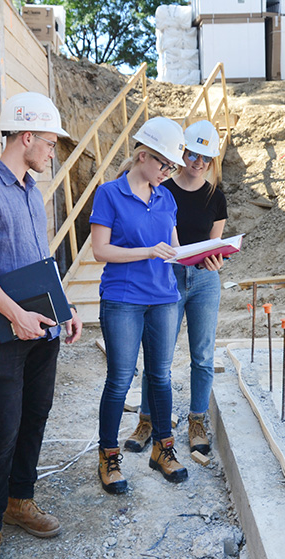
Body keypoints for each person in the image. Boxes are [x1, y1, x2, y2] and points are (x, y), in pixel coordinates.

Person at [0, 91, 83, 559]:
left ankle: (18, 501)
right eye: (49, 143)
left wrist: (62, 309)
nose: (53, 152)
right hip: (0, 334)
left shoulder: (30, 189)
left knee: (35, 417)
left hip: (40, 329)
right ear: (26, 137)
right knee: (3, 428)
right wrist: (15, 316)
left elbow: (39, 258)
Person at [90, 116, 189, 495]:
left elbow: (174, 249)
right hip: (123, 300)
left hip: (163, 298)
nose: (169, 172)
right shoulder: (109, 194)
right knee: (119, 379)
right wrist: (147, 251)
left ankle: (163, 450)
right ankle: (109, 457)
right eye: (165, 164)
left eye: (172, 167)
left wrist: (204, 255)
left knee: (160, 377)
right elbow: (101, 250)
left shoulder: (166, 196)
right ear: (143, 156)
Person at [125, 120, 227, 457]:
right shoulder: (162, 190)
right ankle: (147, 420)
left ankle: (196, 421)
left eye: (206, 158)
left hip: (204, 282)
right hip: (166, 279)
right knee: (158, 355)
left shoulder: (216, 197)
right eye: (193, 154)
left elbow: (215, 245)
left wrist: (215, 261)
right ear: (181, 151)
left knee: (202, 354)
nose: (198, 162)